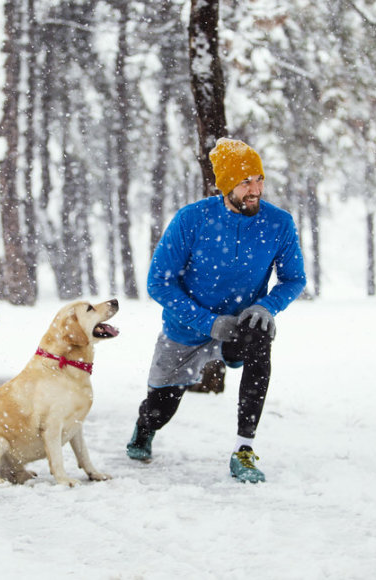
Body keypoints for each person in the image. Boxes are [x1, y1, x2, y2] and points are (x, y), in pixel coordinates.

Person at [126, 137, 307, 483]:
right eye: (245, 182)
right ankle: (144, 427)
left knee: (261, 334)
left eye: (258, 179)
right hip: (187, 329)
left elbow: (294, 278)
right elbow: (158, 282)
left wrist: (267, 306)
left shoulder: (278, 223)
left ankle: (244, 448)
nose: (255, 189)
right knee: (159, 409)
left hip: (241, 326)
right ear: (225, 185)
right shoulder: (192, 220)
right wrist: (208, 323)